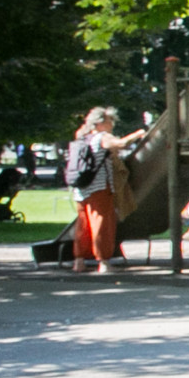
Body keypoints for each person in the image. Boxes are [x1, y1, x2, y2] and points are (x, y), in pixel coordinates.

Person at [66, 107, 146, 272]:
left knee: (83, 225)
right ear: (101, 123)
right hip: (99, 187)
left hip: (80, 188)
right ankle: (103, 262)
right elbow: (122, 143)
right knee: (102, 224)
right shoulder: (102, 137)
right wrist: (139, 134)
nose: (112, 125)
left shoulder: (81, 137)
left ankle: (79, 261)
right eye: (110, 121)